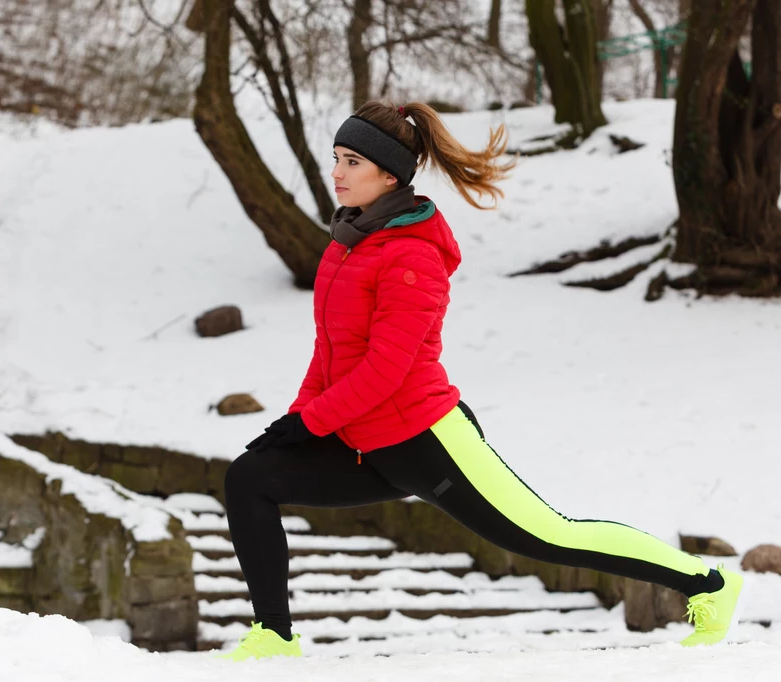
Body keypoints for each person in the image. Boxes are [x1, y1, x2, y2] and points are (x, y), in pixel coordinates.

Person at [215, 100, 744, 662]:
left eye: (351, 162)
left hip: (425, 437)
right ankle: (274, 637)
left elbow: (387, 369)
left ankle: (708, 584)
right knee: (250, 479)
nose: (337, 172)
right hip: (365, 440)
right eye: (337, 158)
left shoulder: (410, 255)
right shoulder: (349, 244)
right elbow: (331, 352)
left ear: (389, 174)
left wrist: (311, 421)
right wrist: (297, 419)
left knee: (548, 535)